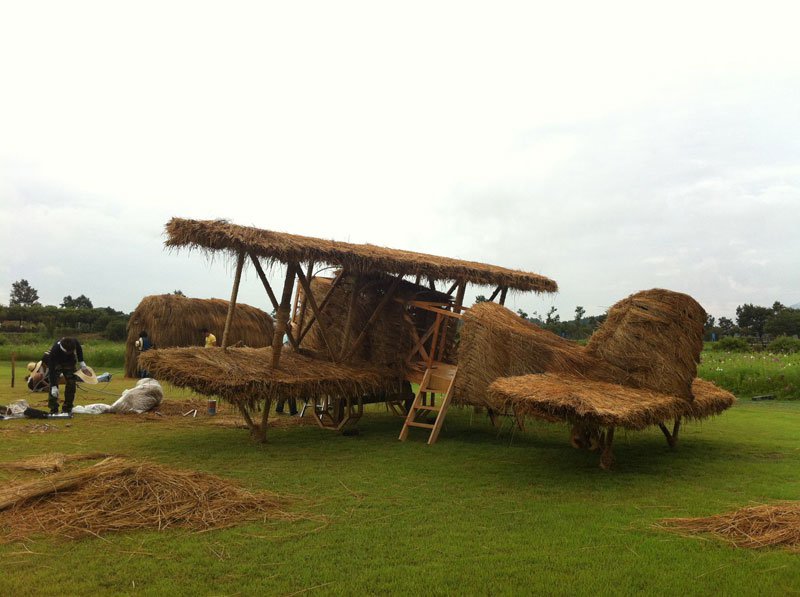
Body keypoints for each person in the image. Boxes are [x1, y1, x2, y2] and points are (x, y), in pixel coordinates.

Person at [42, 337, 92, 414]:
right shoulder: (54, 351)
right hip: (57, 363)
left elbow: (79, 349)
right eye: (70, 352)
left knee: (71, 383)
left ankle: (67, 408)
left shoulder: (74, 341)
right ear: (64, 350)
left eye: (72, 351)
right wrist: (54, 387)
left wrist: (82, 362)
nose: (71, 352)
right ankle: (53, 408)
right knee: (53, 386)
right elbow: (51, 370)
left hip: (70, 362)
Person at [26, 361, 112, 392]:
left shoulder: (42, 370)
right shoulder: (41, 372)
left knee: (81, 378)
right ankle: (104, 377)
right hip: (61, 377)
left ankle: (104, 377)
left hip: (61, 376)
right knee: (82, 378)